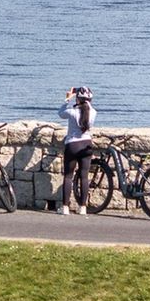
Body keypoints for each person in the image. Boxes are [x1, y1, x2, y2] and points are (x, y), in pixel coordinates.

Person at [57, 86, 96, 215]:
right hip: (86, 145)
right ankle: (83, 207)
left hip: (72, 145)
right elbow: (88, 107)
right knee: (84, 177)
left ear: (78, 99)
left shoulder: (72, 112)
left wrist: (67, 99)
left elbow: (61, 113)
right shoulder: (93, 112)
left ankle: (65, 207)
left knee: (68, 176)